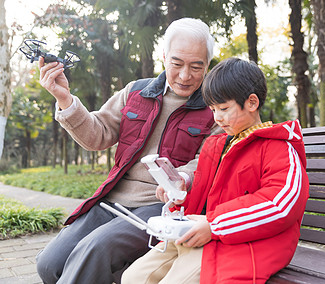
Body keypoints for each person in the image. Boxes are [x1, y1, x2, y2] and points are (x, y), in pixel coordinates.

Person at [35, 18, 220, 284]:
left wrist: (182, 178)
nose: (184, 75)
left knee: (94, 251)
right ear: (165, 57)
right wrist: (64, 98)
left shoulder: (215, 108)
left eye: (196, 66)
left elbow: (207, 160)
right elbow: (97, 134)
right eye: (177, 64)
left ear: (207, 65)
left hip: (160, 207)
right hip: (112, 200)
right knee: (50, 264)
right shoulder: (136, 91)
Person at [122, 57, 310, 284]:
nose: (217, 117)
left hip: (248, 242)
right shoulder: (217, 146)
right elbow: (204, 198)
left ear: (251, 102)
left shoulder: (278, 147)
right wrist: (180, 194)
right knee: (133, 277)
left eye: (223, 108)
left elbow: (280, 204)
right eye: (212, 109)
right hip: (205, 234)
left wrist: (214, 225)